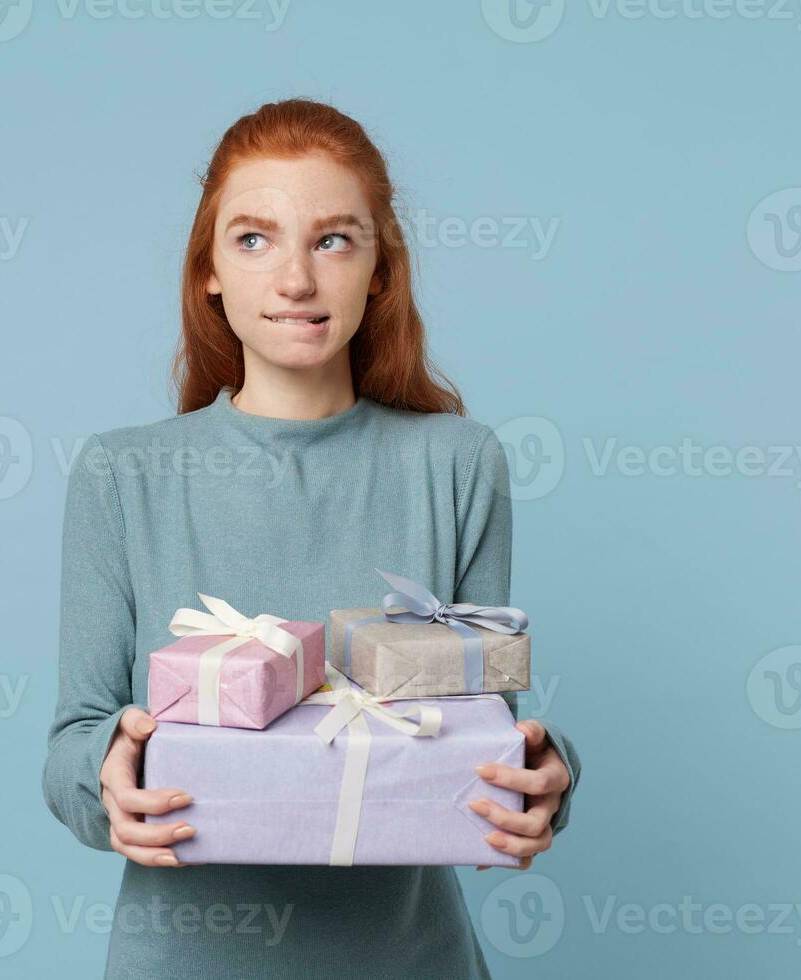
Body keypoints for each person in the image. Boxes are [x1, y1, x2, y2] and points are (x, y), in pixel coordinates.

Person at [43, 97, 582, 978]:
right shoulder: (121, 475)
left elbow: (486, 730)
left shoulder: (457, 464)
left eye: (333, 239)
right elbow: (75, 739)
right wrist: (106, 776)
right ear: (208, 269)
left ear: (379, 271)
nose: (295, 279)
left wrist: (551, 775)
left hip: (408, 958)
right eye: (254, 239)